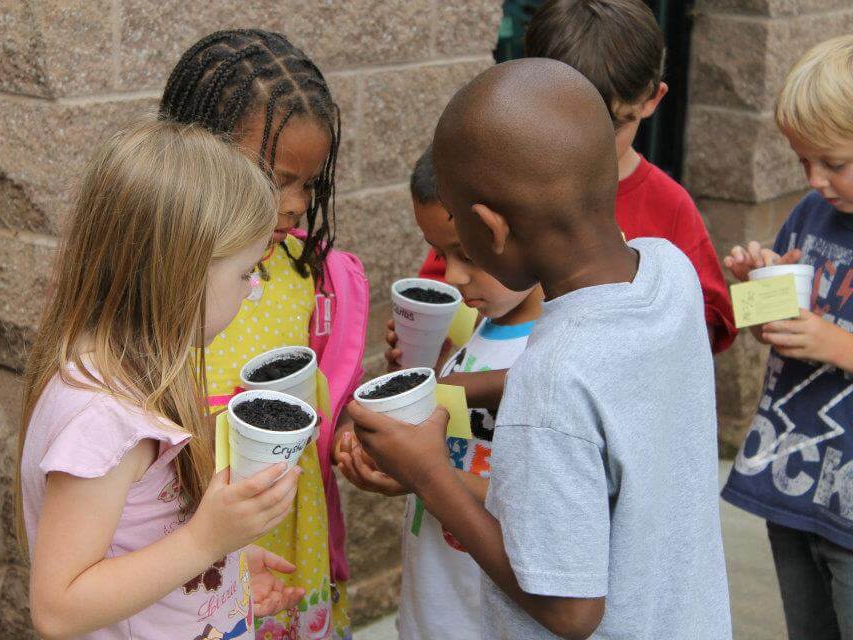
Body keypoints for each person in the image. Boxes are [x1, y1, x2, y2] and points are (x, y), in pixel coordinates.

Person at [350, 59, 731, 640]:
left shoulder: (552, 379)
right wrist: (454, 388)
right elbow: (610, 386)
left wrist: (428, 473)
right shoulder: (665, 268)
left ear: (490, 227)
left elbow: (570, 610)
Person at [17, 120, 305, 640]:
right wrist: (205, 542)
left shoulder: (132, 382)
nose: (255, 290)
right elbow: (59, 608)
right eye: (245, 273)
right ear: (183, 274)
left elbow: (137, 539)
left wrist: (222, 569)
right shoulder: (104, 420)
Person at [160, 29, 367, 639]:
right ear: (196, 155)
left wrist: (351, 437)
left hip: (285, 558)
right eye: (273, 179)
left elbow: (326, 404)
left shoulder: (314, 278)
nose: (297, 204)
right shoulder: (154, 287)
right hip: (178, 572)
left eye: (308, 184)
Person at [418, 0, 736, 354]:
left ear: (652, 99)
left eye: (610, 126)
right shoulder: (490, 188)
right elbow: (446, 286)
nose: (587, 146)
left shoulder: (670, 206)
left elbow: (702, 325)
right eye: (562, 129)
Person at [338, 146, 542, 639]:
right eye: (438, 252)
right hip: (434, 611)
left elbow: (539, 504)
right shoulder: (475, 329)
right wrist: (408, 384)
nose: (450, 276)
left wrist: (420, 475)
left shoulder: (549, 359)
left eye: (468, 254)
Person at [721, 35, 853, 640]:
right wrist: (759, 288)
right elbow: (769, 334)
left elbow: (822, 340)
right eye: (804, 162)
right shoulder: (811, 213)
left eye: (835, 163)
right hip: (792, 477)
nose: (815, 179)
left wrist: (837, 344)